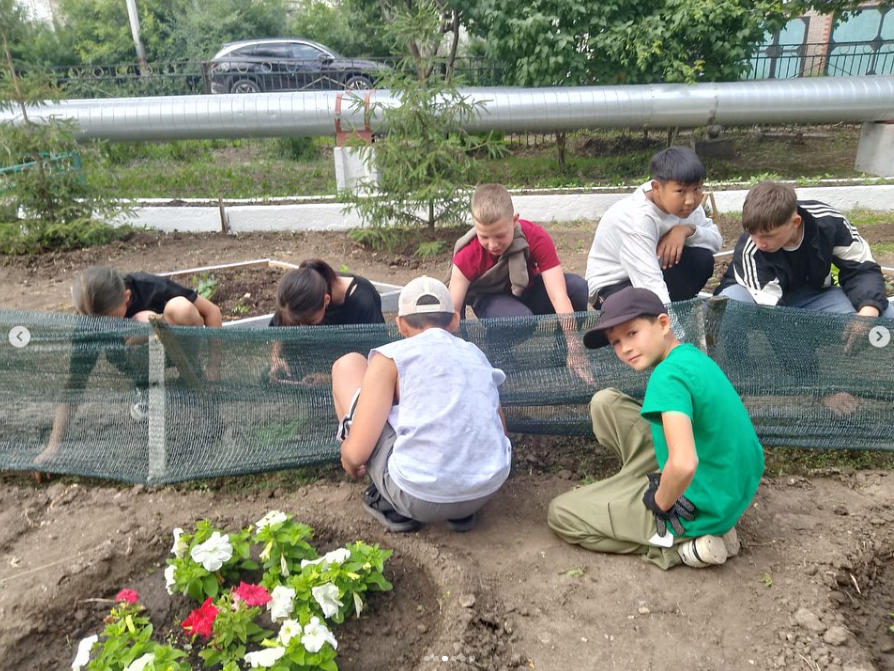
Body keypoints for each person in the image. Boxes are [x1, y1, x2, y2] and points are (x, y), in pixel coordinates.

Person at [547, 287, 764, 569]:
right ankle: (673, 494)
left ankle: (685, 545)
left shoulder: (666, 378)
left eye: (632, 333)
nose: (625, 348)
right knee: (605, 402)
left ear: (663, 323)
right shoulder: (690, 356)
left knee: (560, 514)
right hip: (729, 486)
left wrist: (659, 503)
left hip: (698, 505)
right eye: (615, 342)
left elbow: (684, 463)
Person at [331, 276, 512, 533]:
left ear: (400, 324)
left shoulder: (391, 357)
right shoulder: (476, 354)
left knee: (348, 364)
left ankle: (389, 502)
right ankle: (460, 510)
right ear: (455, 320)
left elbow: (358, 453)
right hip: (486, 487)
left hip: (416, 495)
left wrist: (349, 458)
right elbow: (501, 430)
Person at [715, 180, 894, 413]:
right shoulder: (751, 249)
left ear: (795, 222)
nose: (759, 243)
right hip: (755, 300)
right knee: (732, 306)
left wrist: (868, 311)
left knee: (875, 317)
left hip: (812, 294)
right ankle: (737, 379)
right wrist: (820, 388)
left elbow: (861, 268)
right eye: (753, 234)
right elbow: (779, 325)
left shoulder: (828, 222)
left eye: (768, 235)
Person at [35, 267, 222, 471]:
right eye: (99, 324)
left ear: (127, 296)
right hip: (132, 358)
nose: (105, 328)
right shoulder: (88, 324)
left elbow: (212, 311)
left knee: (176, 309)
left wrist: (214, 366)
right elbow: (75, 384)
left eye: (111, 320)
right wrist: (53, 447)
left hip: (180, 342)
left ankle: (191, 373)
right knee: (139, 325)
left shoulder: (149, 287)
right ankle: (146, 388)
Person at [448, 183, 592, 381]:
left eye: (500, 235)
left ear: (514, 220)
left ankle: (561, 353)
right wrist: (458, 356)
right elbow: (453, 310)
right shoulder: (468, 254)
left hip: (527, 288)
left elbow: (559, 296)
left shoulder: (535, 237)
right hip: (491, 299)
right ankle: (499, 349)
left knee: (577, 288)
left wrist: (575, 347)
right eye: (484, 236)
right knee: (520, 320)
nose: (492, 244)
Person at [585, 146, 722, 307]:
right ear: (657, 187)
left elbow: (716, 241)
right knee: (640, 303)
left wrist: (686, 230)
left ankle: (673, 313)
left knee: (701, 259)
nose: (690, 200)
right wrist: (667, 323)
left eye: (697, 189)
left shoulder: (688, 206)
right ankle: (665, 318)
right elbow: (650, 283)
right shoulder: (637, 220)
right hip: (614, 285)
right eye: (680, 191)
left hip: (655, 271)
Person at [268, 259, 385, 382]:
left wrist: (329, 379)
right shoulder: (297, 297)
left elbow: (378, 361)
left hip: (350, 371)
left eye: (309, 322)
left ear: (326, 300)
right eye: (296, 323)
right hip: (309, 362)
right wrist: (275, 359)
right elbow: (278, 329)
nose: (302, 328)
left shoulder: (363, 303)